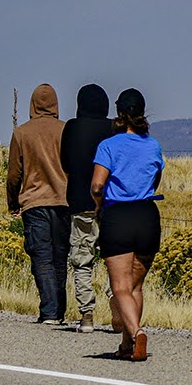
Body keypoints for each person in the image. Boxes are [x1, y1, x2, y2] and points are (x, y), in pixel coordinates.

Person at [91, 88, 163, 361]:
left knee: (120, 287)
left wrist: (99, 205)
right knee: (136, 287)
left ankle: (137, 333)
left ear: (120, 114)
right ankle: (126, 345)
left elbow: (97, 184)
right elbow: (155, 177)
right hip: (147, 215)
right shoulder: (153, 145)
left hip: (118, 214)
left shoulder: (109, 146)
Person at [5, 85, 69, 324]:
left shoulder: (22, 133)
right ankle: (59, 310)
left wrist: (13, 203)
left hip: (34, 202)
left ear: (31, 105)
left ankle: (49, 310)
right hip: (63, 200)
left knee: (41, 257)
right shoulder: (65, 131)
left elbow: (14, 175)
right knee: (60, 256)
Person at [59, 83, 115, 333]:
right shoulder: (113, 128)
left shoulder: (72, 127)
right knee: (114, 258)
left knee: (82, 260)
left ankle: (86, 314)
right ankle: (118, 309)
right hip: (110, 203)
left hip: (80, 203)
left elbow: (65, 162)